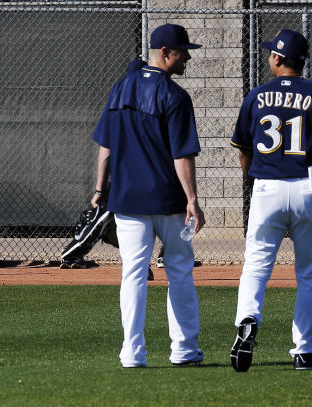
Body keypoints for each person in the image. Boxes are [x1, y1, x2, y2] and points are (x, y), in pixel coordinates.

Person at [229, 29, 312, 372]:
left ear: (278, 59)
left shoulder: (256, 95)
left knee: (256, 265)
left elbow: (244, 149)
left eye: (271, 54)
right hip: (308, 187)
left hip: (267, 186)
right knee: (308, 273)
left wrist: (254, 179)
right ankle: (304, 352)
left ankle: (248, 321)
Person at [91, 23, 205, 368]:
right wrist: (193, 199)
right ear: (164, 53)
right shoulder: (175, 96)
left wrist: (99, 189)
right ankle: (184, 350)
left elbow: (106, 148)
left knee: (133, 274)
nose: (186, 57)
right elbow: (181, 155)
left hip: (128, 200)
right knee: (180, 271)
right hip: (169, 200)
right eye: (182, 51)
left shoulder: (120, 89)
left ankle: (132, 352)